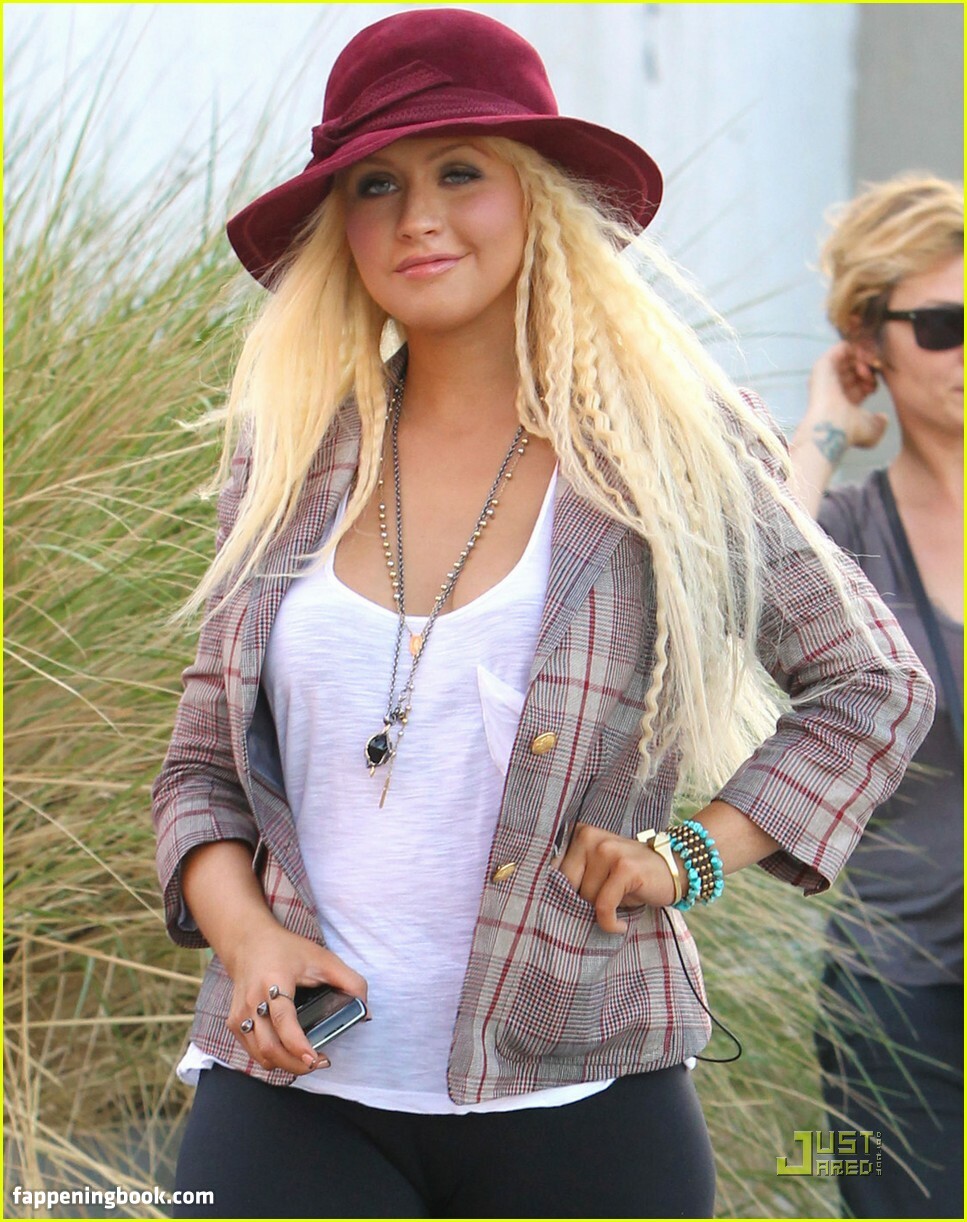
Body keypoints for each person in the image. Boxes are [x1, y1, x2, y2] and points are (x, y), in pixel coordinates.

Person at [153, 11, 934, 1219]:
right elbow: (201, 771)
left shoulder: (666, 449)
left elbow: (872, 683)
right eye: (376, 184)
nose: (418, 216)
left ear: (538, 199)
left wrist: (689, 855)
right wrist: (248, 938)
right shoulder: (286, 459)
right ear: (340, 226)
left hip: (582, 1102)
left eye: (461, 172)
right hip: (292, 1094)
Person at [789, 174, 963, 1219]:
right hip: (895, 1008)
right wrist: (824, 422)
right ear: (869, 340)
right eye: (943, 326)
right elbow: (744, 589)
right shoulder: (848, 537)